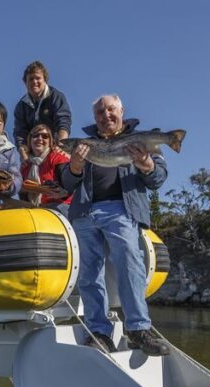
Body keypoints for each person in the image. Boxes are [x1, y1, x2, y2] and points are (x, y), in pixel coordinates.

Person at [62, 94, 170, 356]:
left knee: (130, 262)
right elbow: (66, 183)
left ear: (121, 111)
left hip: (122, 209)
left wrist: (146, 164)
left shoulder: (143, 141)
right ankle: (99, 332)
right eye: (99, 112)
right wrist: (74, 166)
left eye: (110, 110)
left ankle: (138, 329)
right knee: (89, 274)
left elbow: (158, 178)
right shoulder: (83, 145)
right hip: (84, 211)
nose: (105, 115)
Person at [13, 61, 71, 163]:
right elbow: (20, 132)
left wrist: (61, 146)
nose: (34, 82)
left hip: (55, 150)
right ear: (25, 83)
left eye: (38, 78)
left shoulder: (56, 97)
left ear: (45, 80)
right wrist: (23, 153)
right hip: (33, 155)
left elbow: (63, 121)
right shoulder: (21, 106)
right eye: (31, 79)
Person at [19, 123, 71, 212]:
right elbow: (23, 195)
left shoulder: (58, 158)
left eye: (45, 136)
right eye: (35, 135)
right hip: (33, 208)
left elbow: (70, 184)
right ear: (30, 140)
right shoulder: (25, 166)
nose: (40, 139)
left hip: (59, 207)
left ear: (50, 141)